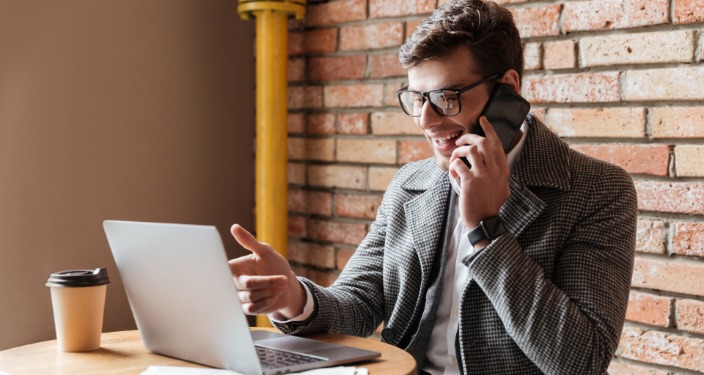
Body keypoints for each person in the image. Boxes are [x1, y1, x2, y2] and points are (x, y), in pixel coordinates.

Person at [228, 0, 637, 374]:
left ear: (507, 90)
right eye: (416, 98)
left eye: (446, 96)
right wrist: (293, 297)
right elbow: (358, 305)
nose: (425, 119)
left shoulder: (597, 190)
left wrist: (486, 229)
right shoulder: (412, 183)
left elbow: (580, 361)